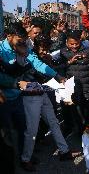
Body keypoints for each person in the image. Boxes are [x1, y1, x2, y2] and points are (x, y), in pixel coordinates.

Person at [0, 22, 64, 170]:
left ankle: (25, 158)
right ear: (9, 36)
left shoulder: (23, 47)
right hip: (3, 99)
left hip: (18, 97)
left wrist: (56, 75)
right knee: (7, 136)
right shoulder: (1, 51)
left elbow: (37, 63)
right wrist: (16, 83)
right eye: (19, 40)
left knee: (24, 129)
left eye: (24, 39)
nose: (22, 42)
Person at [19, 34, 81, 172]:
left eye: (46, 49)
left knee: (53, 122)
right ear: (35, 46)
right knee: (32, 129)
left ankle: (64, 151)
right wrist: (52, 72)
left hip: (42, 92)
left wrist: (55, 73)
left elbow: (45, 69)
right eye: (42, 49)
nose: (44, 51)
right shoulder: (28, 55)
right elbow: (36, 72)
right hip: (30, 96)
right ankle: (25, 159)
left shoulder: (38, 56)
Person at [60, 30, 89, 132]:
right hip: (73, 88)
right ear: (66, 43)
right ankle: (79, 132)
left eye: (76, 43)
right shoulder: (63, 53)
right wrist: (69, 62)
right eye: (71, 44)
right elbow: (58, 67)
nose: (74, 46)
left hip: (88, 86)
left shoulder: (87, 51)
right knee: (77, 111)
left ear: (80, 42)